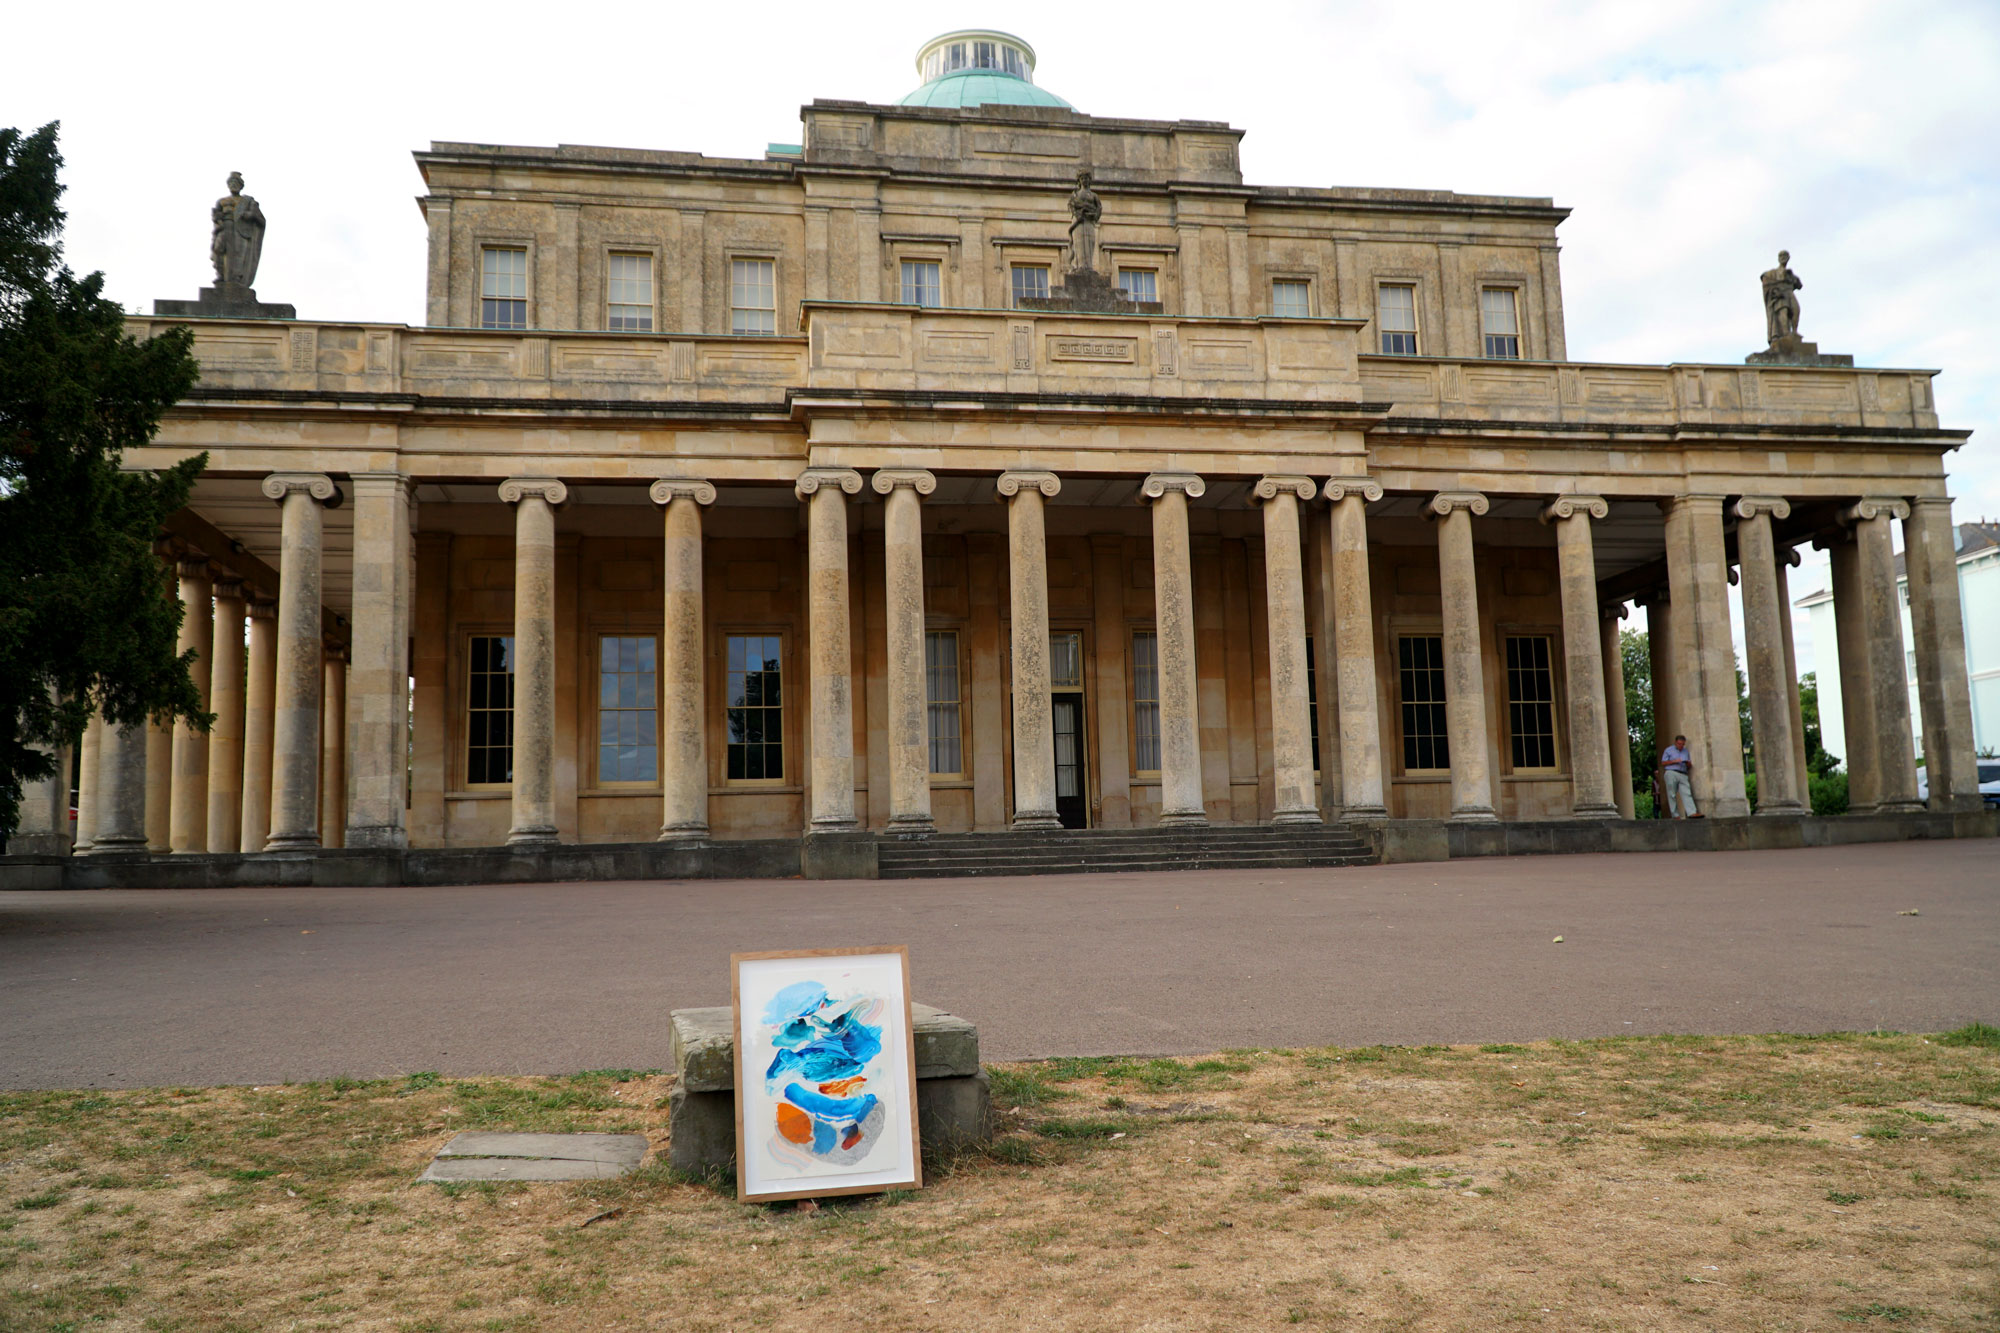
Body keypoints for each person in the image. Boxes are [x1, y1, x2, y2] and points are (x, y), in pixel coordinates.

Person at [1659, 734, 1703, 819]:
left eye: (1683, 744)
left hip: (1683, 773)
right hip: (1671, 772)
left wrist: (1688, 763)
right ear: (1675, 742)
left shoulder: (1685, 751)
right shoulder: (1668, 750)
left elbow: (1689, 764)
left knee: (1687, 792)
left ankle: (1692, 812)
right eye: (1679, 744)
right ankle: (1675, 815)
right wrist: (1674, 761)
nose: (1681, 746)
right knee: (1672, 794)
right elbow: (1663, 763)